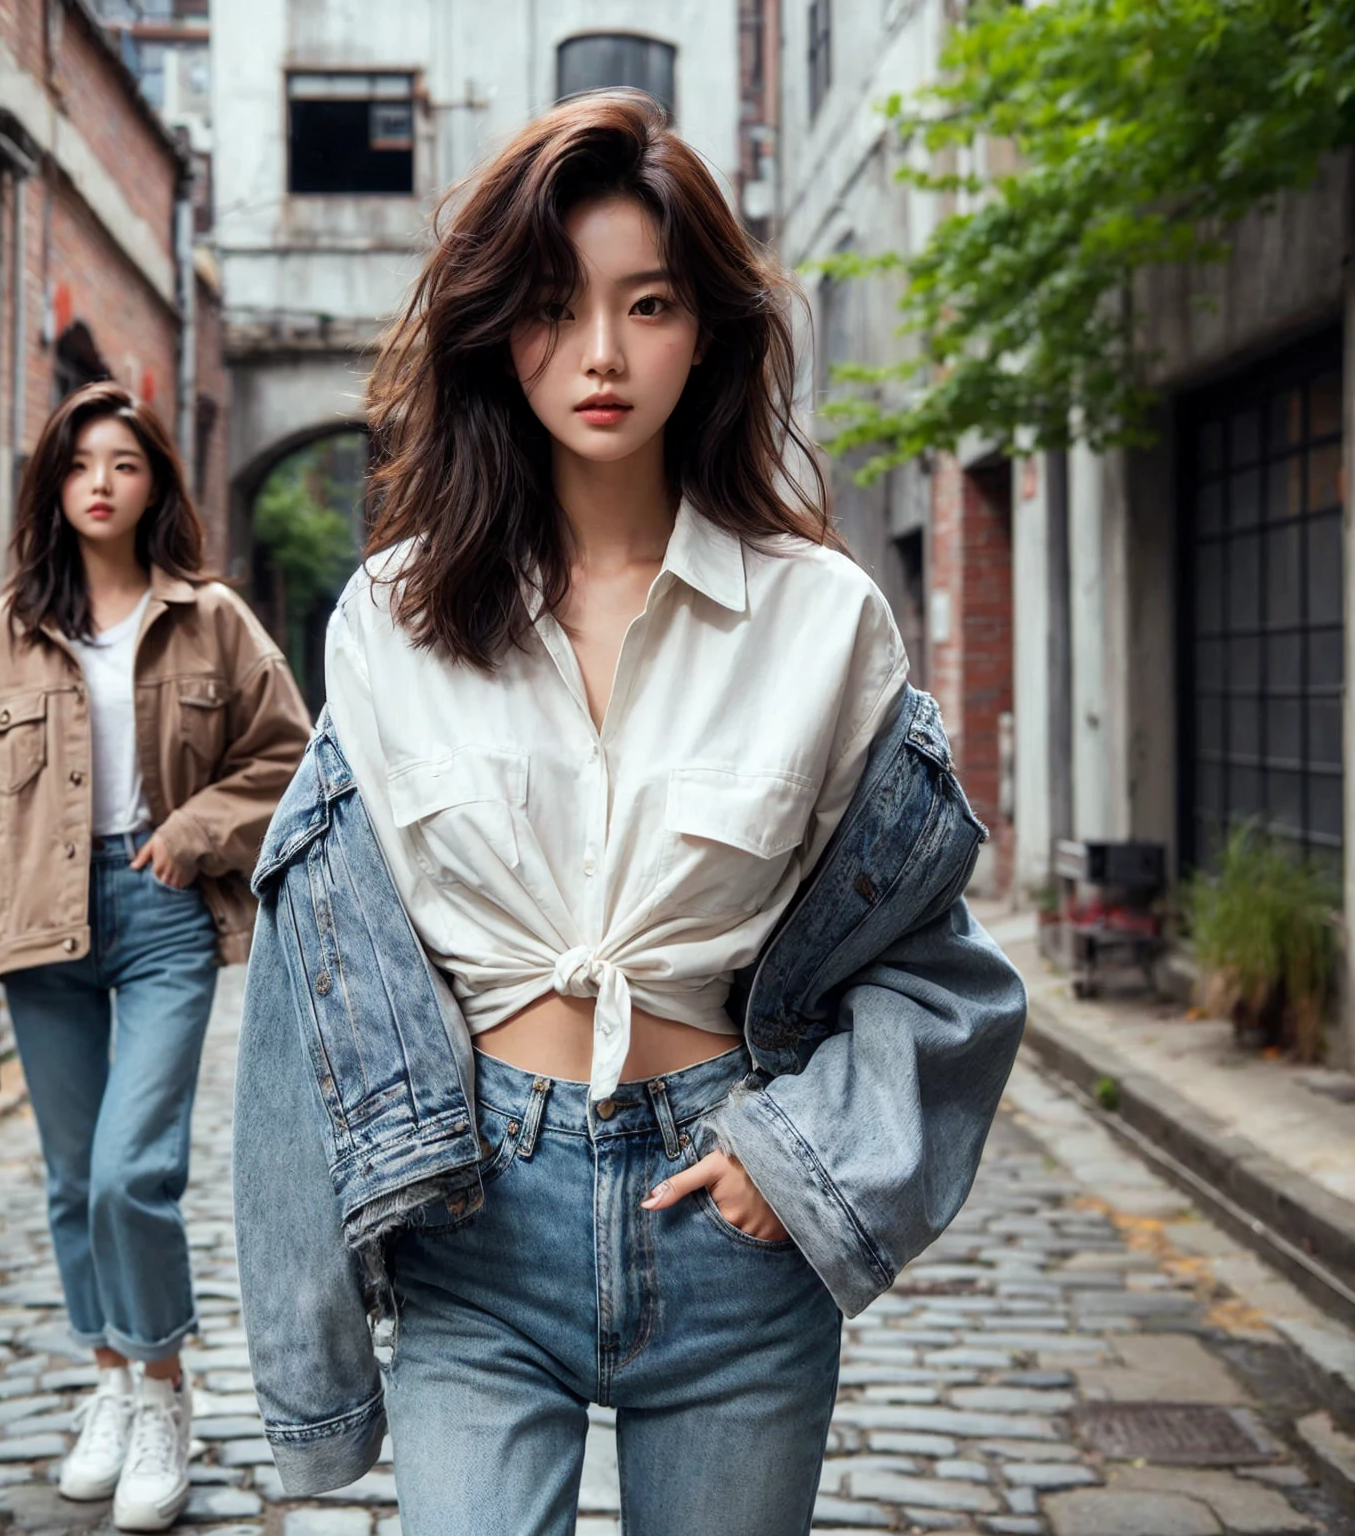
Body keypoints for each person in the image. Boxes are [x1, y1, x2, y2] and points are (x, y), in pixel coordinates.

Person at [233, 91, 1024, 1536]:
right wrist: (310, 1354)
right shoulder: (389, 624)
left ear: (705, 328)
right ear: (496, 329)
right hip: (474, 1219)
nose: (600, 356)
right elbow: (316, 979)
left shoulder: (824, 622)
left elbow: (933, 963)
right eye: (553, 306)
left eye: (646, 304)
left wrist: (803, 1167)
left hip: (731, 1216)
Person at [0, 381, 312, 1532]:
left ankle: (165, 1394)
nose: (102, 480)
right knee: (66, 1181)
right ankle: (107, 1384)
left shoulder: (214, 619)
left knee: (130, 1173)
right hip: (39, 931)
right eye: (80, 462)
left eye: (125, 463)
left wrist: (194, 832)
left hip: (160, 914)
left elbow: (292, 756)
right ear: (53, 482)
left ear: (155, 485)